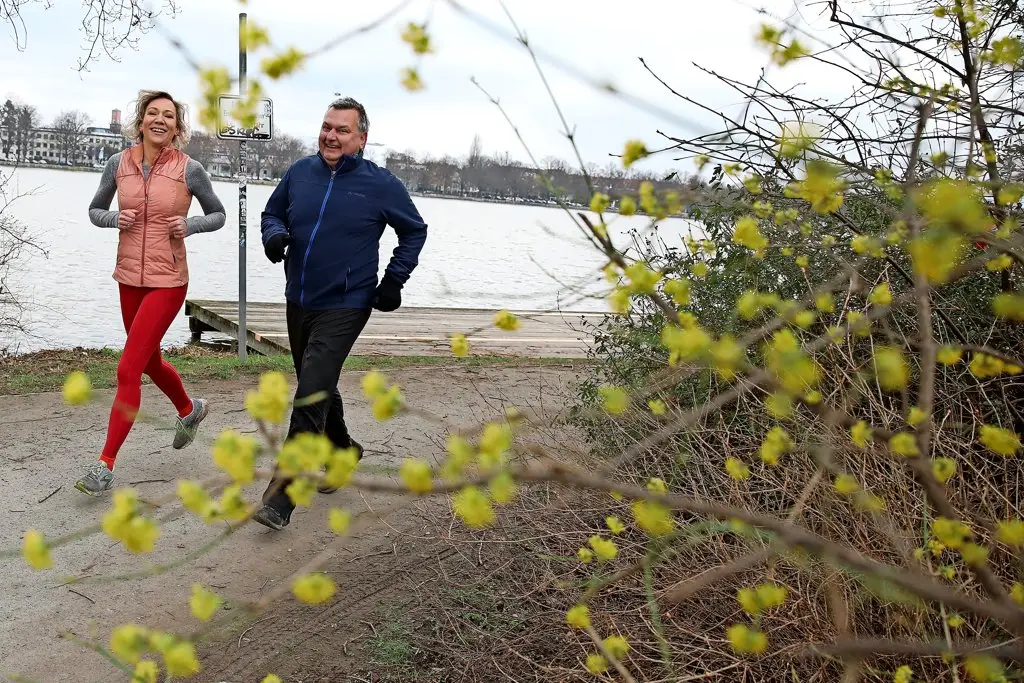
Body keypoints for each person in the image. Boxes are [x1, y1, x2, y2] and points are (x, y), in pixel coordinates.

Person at [253, 96, 428, 530]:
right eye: (327, 126)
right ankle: (343, 450)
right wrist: (274, 236)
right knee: (318, 381)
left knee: (310, 393)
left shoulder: (380, 184)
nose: (331, 135)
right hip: (299, 297)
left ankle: (281, 497)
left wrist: (393, 281)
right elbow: (272, 213)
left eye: (342, 130)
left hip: (348, 303)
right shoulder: (300, 173)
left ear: (361, 138)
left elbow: (414, 230)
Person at [74, 90, 226, 496]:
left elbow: (218, 214)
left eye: (169, 116)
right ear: (140, 121)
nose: (161, 120)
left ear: (177, 128)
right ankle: (189, 409)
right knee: (150, 360)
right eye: (153, 114)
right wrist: (113, 219)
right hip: (128, 278)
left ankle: (104, 464)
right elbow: (94, 210)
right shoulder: (116, 164)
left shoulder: (189, 169)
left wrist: (190, 225)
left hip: (168, 281)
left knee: (128, 368)